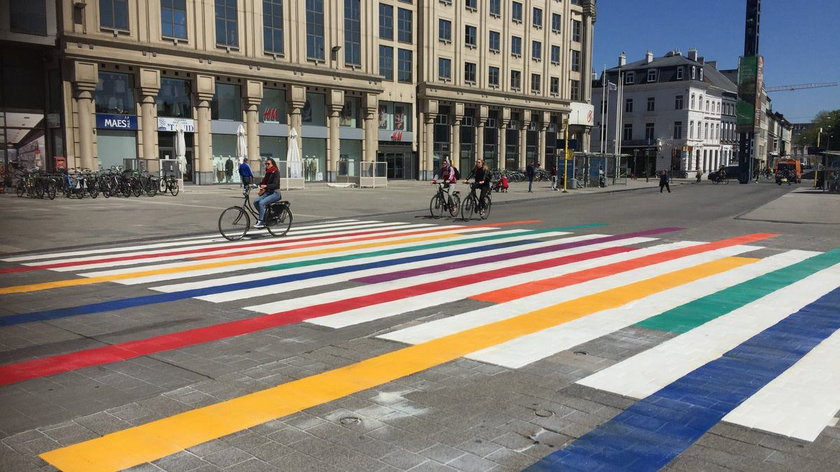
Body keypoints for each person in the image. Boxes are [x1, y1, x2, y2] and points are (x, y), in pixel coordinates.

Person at [253, 158, 280, 229]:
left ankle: (261, 221)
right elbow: (263, 182)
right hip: (268, 192)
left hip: (275, 193)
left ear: (272, 164)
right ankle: (265, 216)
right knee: (256, 202)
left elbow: (275, 184)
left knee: (261, 203)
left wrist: (266, 186)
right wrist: (254, 184)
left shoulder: (275, 172)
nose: (267, 165)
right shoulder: (268, 172)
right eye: (266, 164)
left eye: (268, 164)